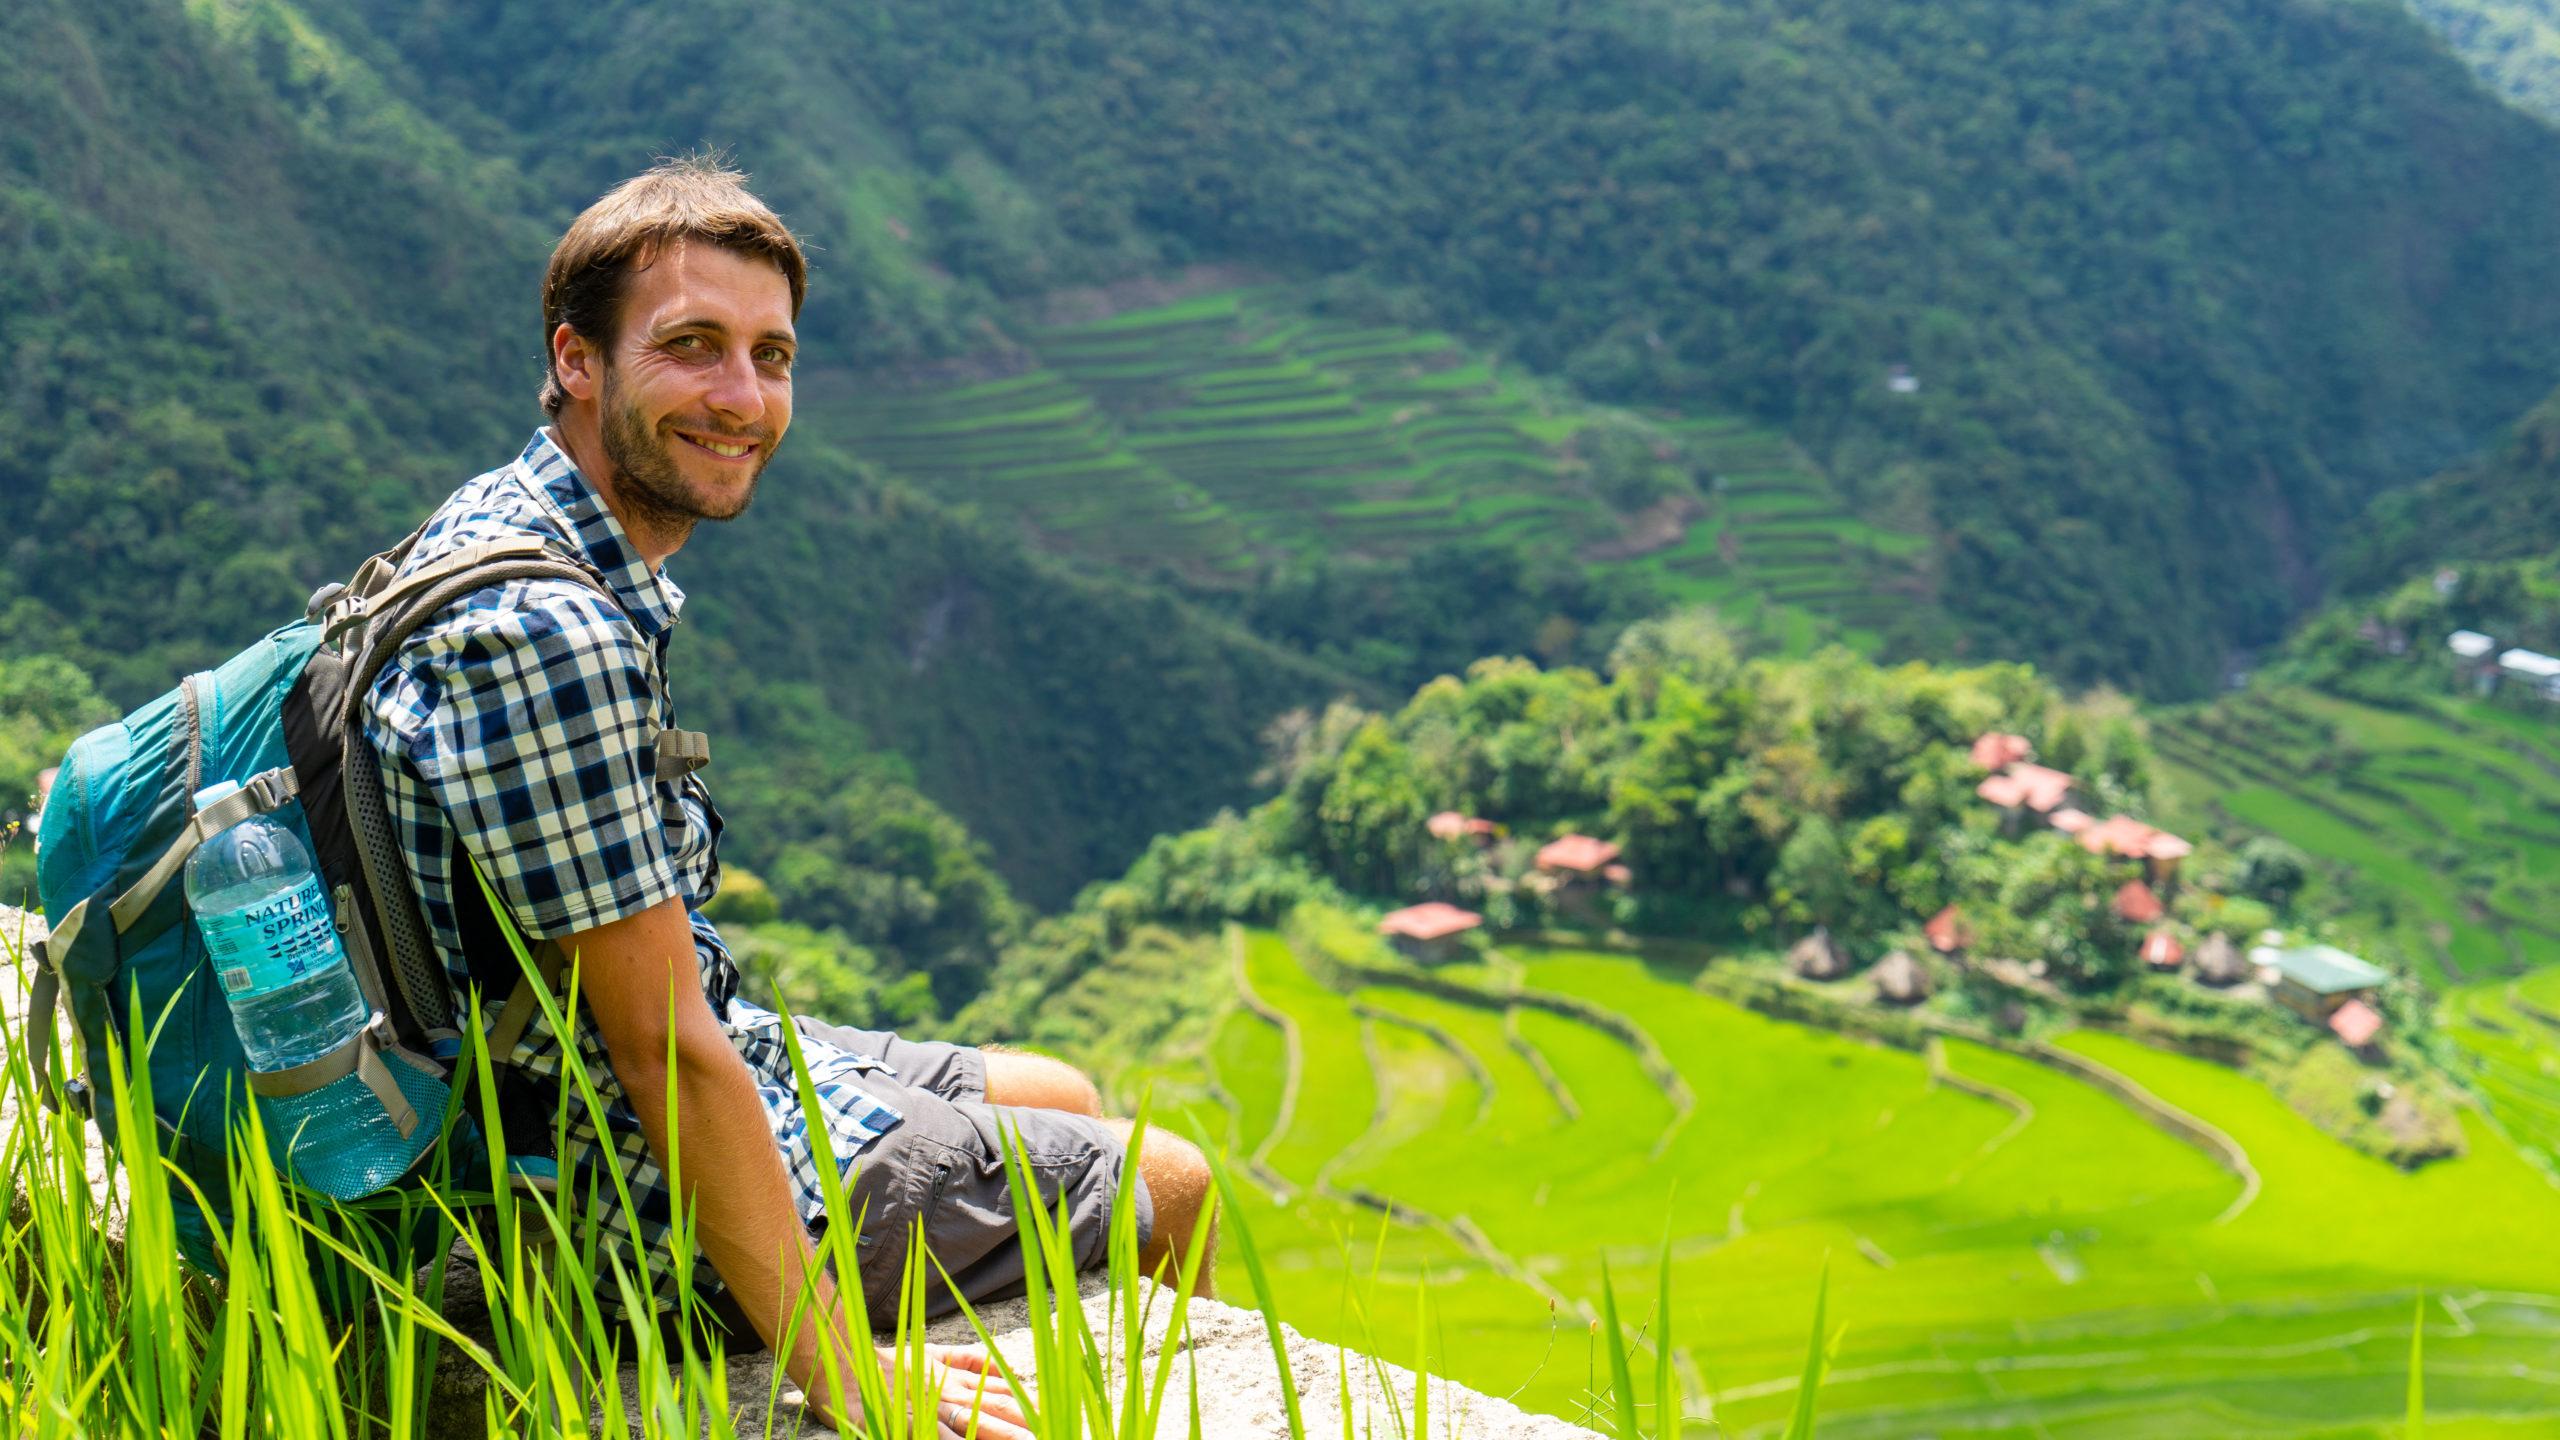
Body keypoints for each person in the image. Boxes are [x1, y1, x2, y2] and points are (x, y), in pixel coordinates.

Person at [360, 154, 1214, 1434]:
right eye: (693, 346)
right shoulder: (549, 633)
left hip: (577, 1078)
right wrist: (845, 1370)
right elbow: (660, 1052)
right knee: (1172, 1179)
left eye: (773, 355)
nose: (742, 395)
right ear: (577, 359)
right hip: (604, 1188)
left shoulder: (500, 526)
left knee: (1063, 1094)